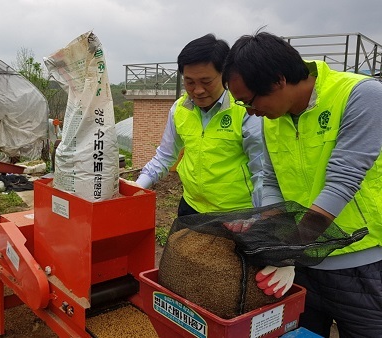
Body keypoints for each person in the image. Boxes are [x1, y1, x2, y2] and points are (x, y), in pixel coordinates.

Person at [222, 31, 382, 337]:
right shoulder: (272, 118)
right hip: (302, 268)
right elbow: (272, 182)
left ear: (279, 80)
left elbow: (342, 183)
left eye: (249, 101)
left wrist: (290, 253)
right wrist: (264, 224)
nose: (250, 112)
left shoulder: (361, 95)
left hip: (360, 265)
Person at [133, 34, 263, 216]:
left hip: (237, 213)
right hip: (191, 206)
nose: (198, 90)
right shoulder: (180, 109)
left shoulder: (246, 110)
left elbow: (261, 170)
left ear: (225, 75)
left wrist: (258, 215)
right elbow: (165, 156)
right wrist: (138, 186)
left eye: (206, 82)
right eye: (189, 82)